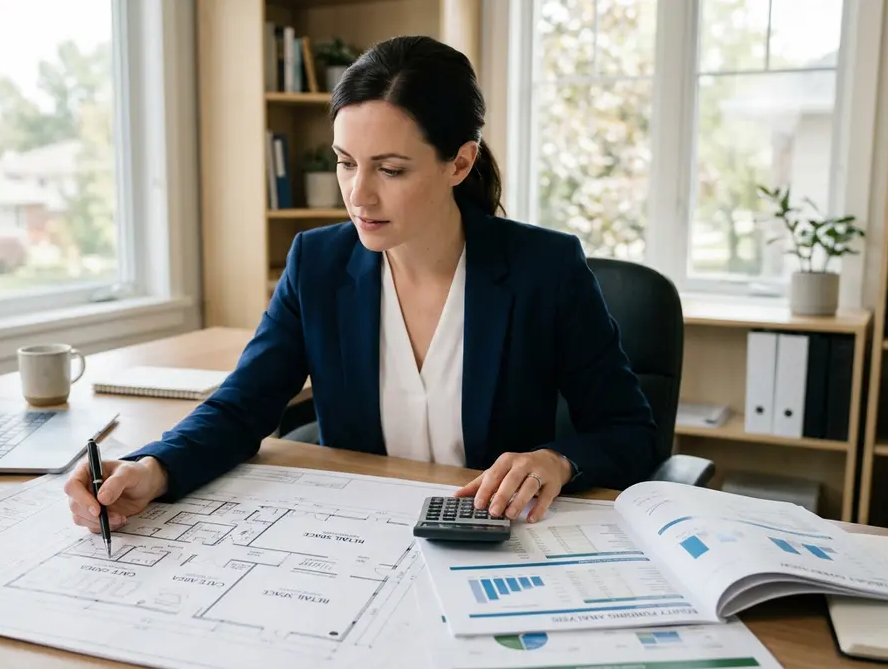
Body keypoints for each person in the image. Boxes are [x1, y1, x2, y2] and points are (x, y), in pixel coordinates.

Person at [64, 34, 657, 534]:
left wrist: (557, 461)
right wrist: (153, 468)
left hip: (499, 541)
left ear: (459, 163)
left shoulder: (544, 268)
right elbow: (242, 408)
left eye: (390, 169)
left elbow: (630, 433)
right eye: (346, 162)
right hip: (359, 537)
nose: (358, 195)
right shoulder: (317, 263)